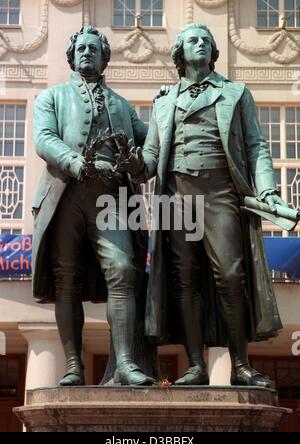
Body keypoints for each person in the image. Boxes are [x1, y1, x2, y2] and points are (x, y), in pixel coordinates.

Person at [117, 23, 286, 387]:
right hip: (174, 193)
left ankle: (240, 364)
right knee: (184, 279)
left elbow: (257, 146)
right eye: (194, 40)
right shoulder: (163, 101)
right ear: (179, 51)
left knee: (230, 274)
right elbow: (150, 158)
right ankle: (195, 365)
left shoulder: (235, 93)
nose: (202, 45)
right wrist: (133, 164)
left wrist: (268, 190)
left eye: (207, 41)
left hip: (219, 190)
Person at [32, 26, 154, 386]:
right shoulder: (51, 97)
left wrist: (140, 159)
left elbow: (150, 149)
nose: (86, 52)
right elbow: (43, 138)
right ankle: (73, 364)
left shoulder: (123, 105)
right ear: (72, 57)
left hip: (110, 198)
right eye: (80, 48)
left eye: (93, 49)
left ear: (104, 58)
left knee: (122, 269)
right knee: (66, 278)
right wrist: (73, 161)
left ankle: (126, 365)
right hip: (65, 195)